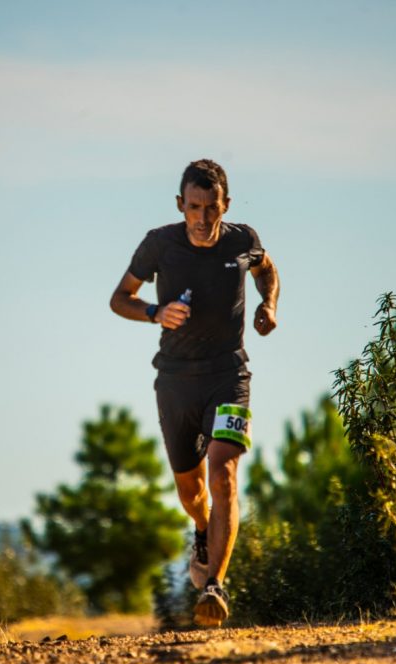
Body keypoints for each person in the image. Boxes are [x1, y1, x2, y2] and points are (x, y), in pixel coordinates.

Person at [109, 159, 280, 627]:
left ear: (226, 205)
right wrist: (155, 312)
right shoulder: (159, 244)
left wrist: (268, 304)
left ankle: (214, 586)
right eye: (194, 207)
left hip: (229, 376)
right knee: (191, 489)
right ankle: (202, 529)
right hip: (176, 381)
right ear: (180, 205)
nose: (203, 218)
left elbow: (266, 270)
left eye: (212, 207)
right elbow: (119, 298)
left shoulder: (243, 241)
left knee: (223, 474)